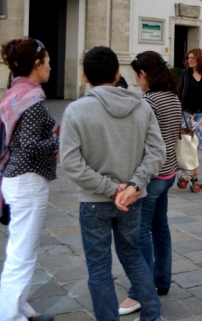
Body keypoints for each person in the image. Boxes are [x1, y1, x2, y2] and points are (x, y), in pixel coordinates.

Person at [60, 46, 165, 321]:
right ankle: (152, 315)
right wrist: (133, 186)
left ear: (84, 76)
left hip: (95, 201)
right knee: (133, 257)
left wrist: (109, 188)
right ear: (118, 73)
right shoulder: (141, 107)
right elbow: (157, 152)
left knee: (99, 268)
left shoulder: (76, 111)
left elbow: (70, 163)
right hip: (133, 199)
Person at [0, 38, 58, 321]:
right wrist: (56, 141)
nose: (51, 67)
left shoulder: (17, 92)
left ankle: (20, 306)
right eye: (48, 63)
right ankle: (8, 316)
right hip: (28, 182)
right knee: (22, 254)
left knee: (24, 249)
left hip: (20, 181)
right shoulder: (30, 99)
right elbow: (26, 146)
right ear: (36, 65)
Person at [118, 52, 182, 316]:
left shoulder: (149, 101)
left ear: (143, 74)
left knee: (140, 233)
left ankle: (140, 291)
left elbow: (137, 140)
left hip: (153, 176)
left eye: (137, 75)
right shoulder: (173, 97)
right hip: (169, 173)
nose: (136, 80)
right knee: (161, 227)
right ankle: (162, 280)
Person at [177, 48, 202, 127]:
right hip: (186, 113)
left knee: (198, 138)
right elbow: (179, 93)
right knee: (186, 138)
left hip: (201, 114)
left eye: (192, 58)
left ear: (200, 59)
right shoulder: (185, 74)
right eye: (188, 58)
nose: (189, 60)